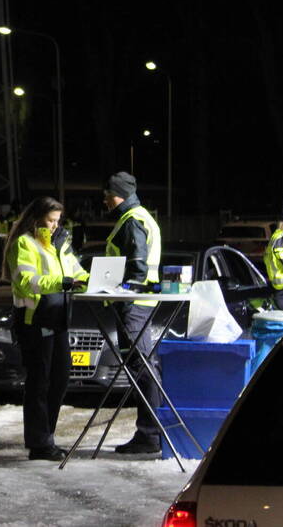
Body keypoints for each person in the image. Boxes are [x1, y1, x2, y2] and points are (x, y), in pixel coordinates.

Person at [3, 196, 89, 461]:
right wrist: (64, 283)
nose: (55, 226)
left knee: (60, 379)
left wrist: (92, 280)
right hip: (34, 321)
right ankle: (39, 443)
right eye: (51, 220)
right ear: (36, 218)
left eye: (58, 221)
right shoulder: (24, 243)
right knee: (39, 383)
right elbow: (27, 281)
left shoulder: (60, 245)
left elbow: (78, 273)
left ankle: (46, 436)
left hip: (57, 319)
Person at [102, 171, 163, 454]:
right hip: (142, 302)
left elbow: (137, 264)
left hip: (134, 303)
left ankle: (149, 434)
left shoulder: (131, 220)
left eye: (106, 194)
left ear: (118, 195)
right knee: (143, 366)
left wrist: (123, 289)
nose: (104, 200)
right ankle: (150, 433)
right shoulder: (140, 215)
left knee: (141, 367)